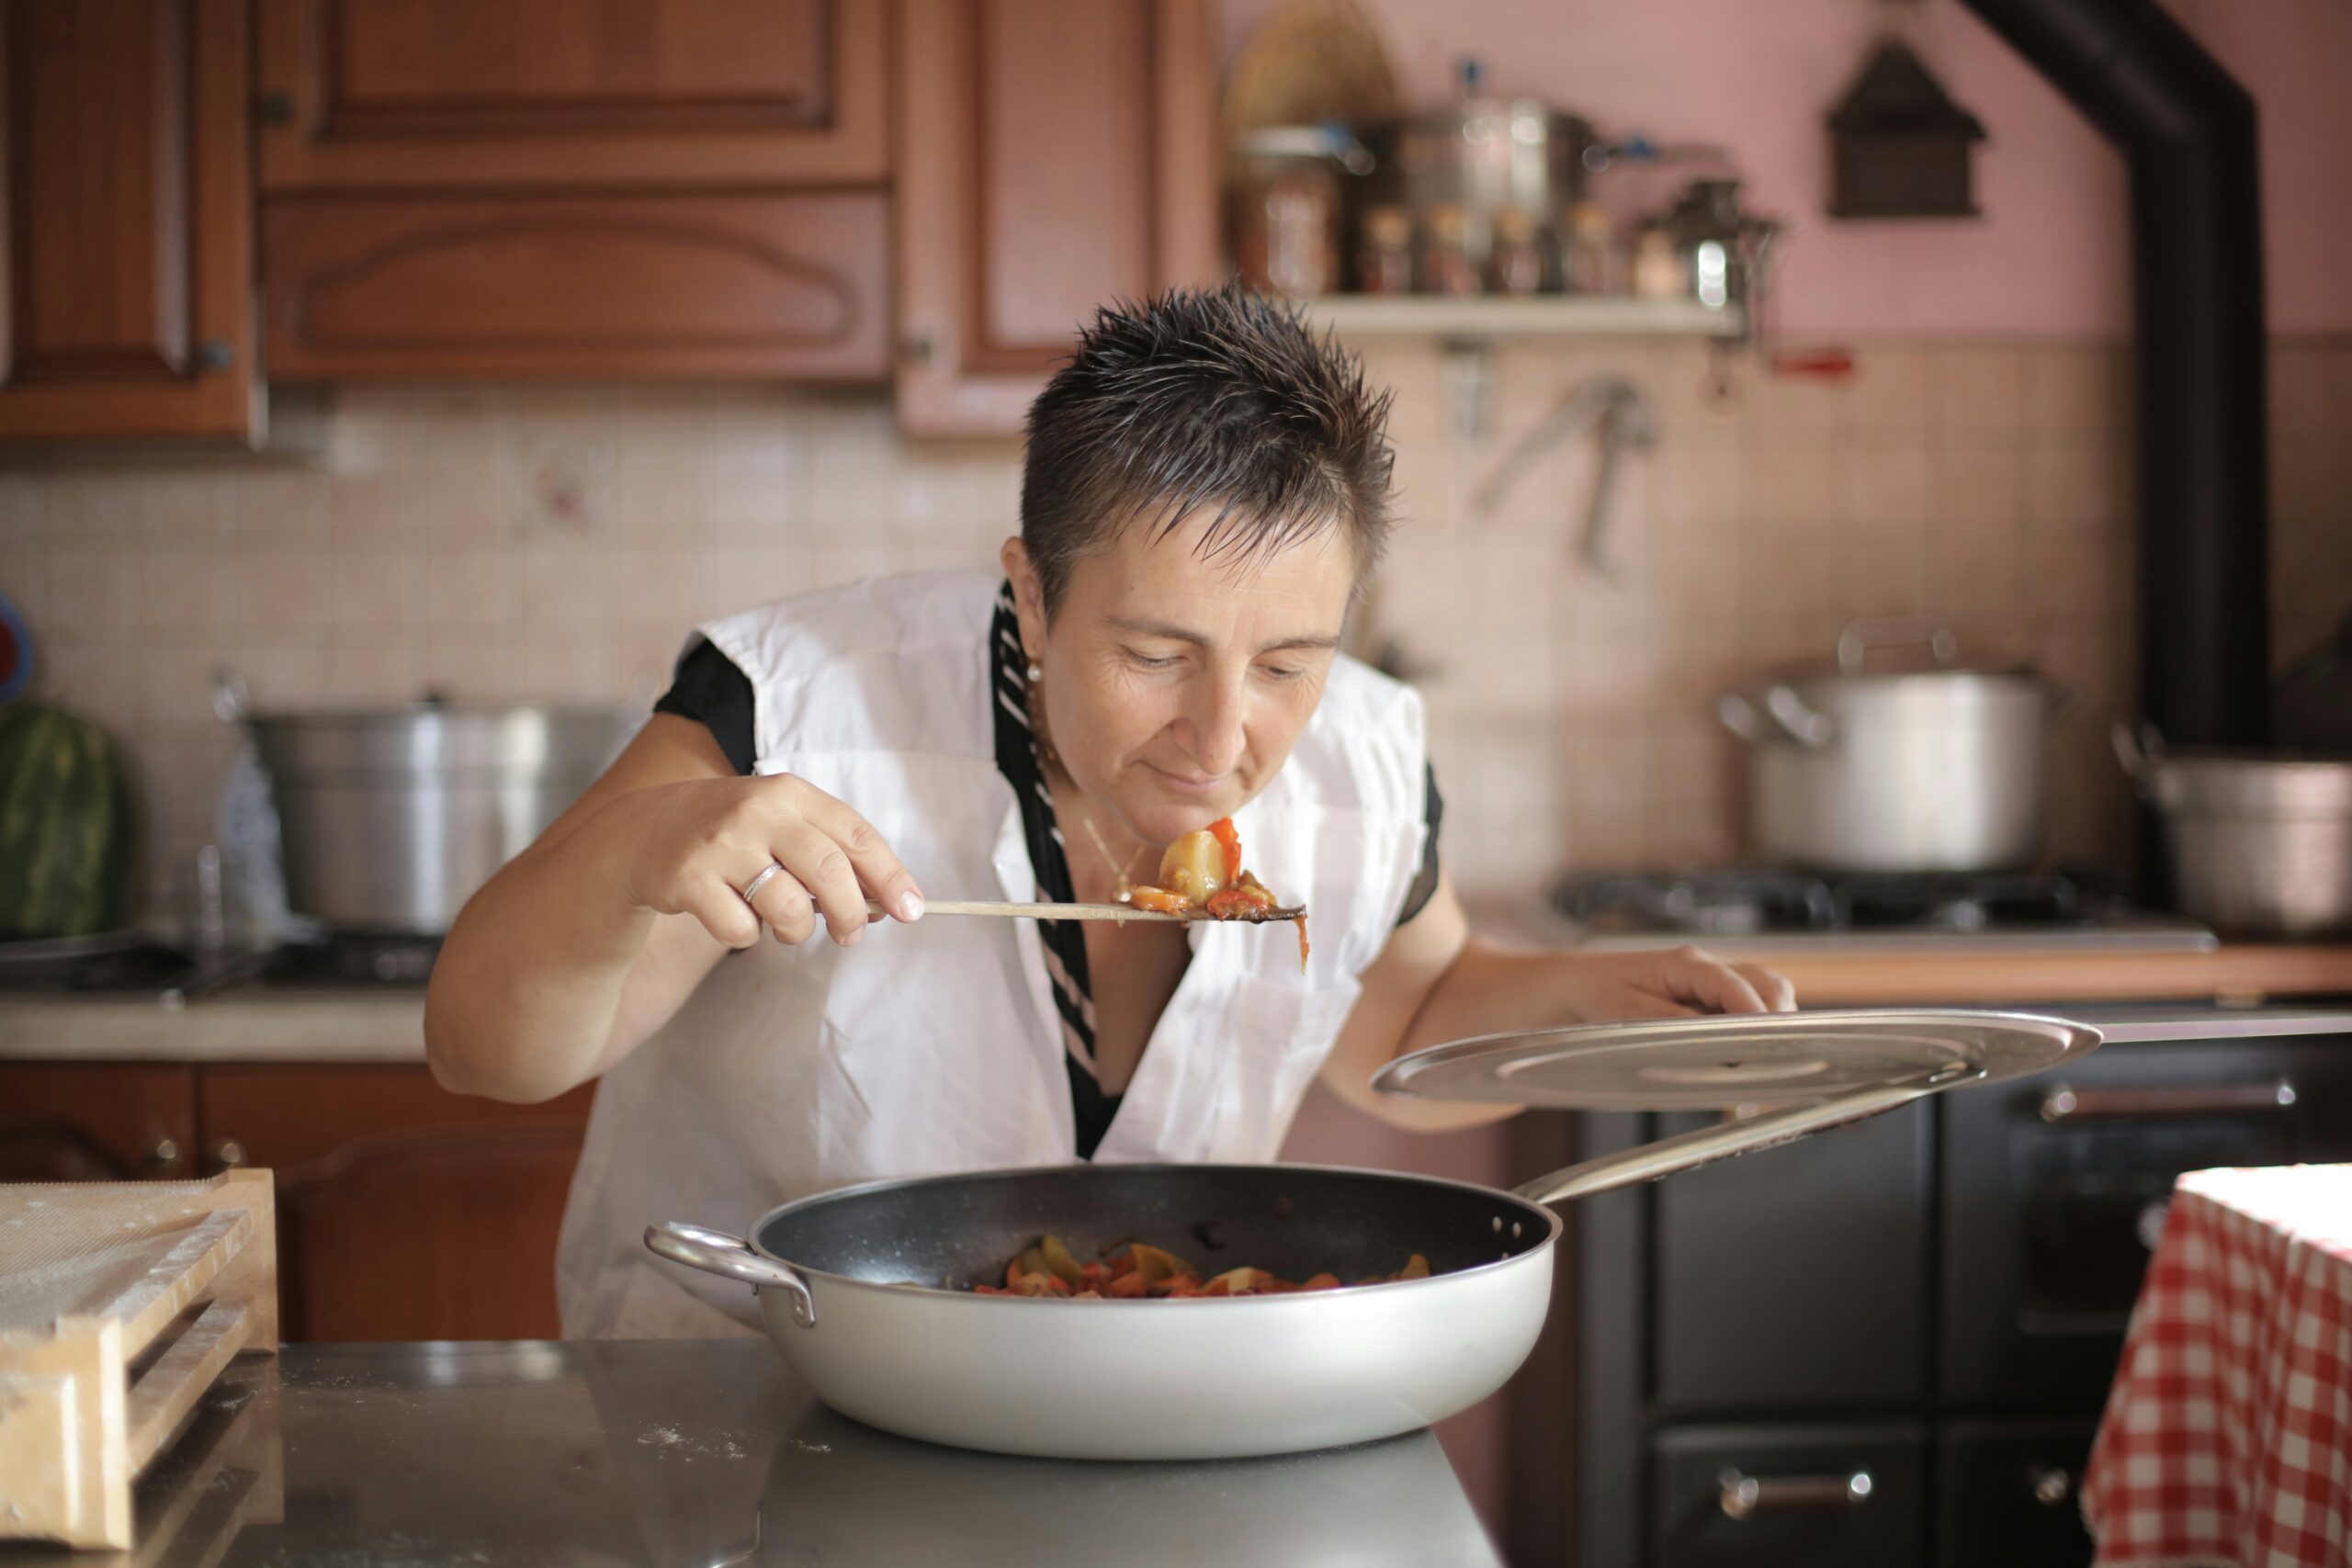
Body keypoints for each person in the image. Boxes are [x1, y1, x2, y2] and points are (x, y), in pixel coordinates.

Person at [424, 286, 1796, 1337]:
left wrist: (1612, 1007)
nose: (1223, 738)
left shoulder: (1368, 753)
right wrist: (644, 851)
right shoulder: (788, 706)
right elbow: (486, 1048)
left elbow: (1411, 1019)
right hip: (749, 1411)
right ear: (1029, 591)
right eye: (1154, 656)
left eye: (1288, 664)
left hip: (1144, 1417)